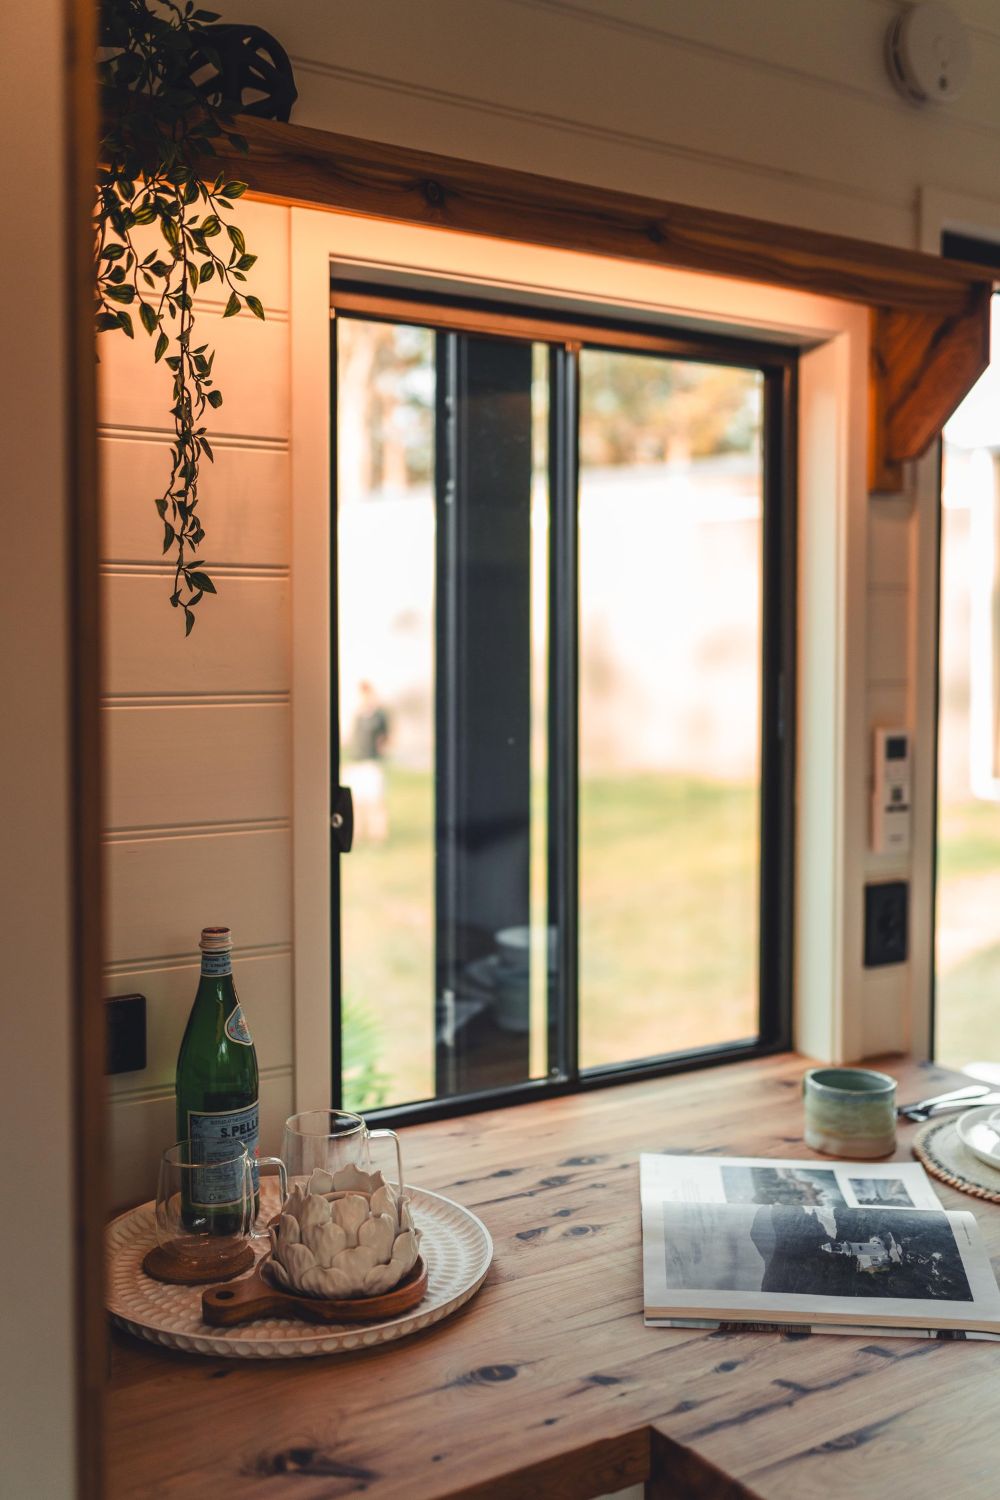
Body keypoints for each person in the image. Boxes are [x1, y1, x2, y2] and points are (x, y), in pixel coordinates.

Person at [346, 681, 390, 841]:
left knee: (375, 802)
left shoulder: (379, 715)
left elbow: (386, 738)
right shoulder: (357, 715)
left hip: (371, 763)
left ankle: (378, 836)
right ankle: (355, 834)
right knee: (355, 803)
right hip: (356, 762)